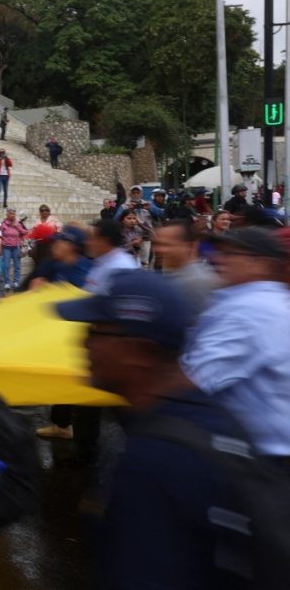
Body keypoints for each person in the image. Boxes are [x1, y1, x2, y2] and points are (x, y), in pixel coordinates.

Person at [56, 270, 255, 590]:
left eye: (97, 331)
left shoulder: (155, 462)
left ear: (141, 351)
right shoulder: (212, 419)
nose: (84, 342)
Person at [181, 227, 290, 463]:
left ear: (264, 264)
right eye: (220, 251)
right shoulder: (252, 301)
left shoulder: (251, 311)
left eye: (232, 254)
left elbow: (194, 378)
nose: (218, 258)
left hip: (261, 456)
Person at [37, 219, 138, 449]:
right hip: (98, 339)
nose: (88, 242)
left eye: (93, 237)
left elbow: (112, 305)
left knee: (106, 401)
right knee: (91, 399)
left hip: (112, 343)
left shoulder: (119, 267)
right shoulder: (102, 264)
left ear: (104, 241)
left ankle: (90, 455)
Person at [153, 220, 219, 317]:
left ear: (190, 246)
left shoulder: (196, 283)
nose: (159, 250)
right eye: (157, 244)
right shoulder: (171, 275)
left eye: (167, 245)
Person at [28, 226, 92, 290]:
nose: (54, 245)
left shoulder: (83, 272)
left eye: (59, 241)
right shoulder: (58, 265)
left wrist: (46, 288)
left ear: (71, 246)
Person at [0, 208, 27, 292]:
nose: (12, 215)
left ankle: (16, 282)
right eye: (10, 213)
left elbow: (25, 232)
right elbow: (0, 235)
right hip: (6, 247)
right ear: (7, 215)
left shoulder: (18, 223)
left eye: (13, 213)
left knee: (17, 265)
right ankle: (7, 283)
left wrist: (17, 227)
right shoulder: (3, 224)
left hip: (16, 247)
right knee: (6, 265)